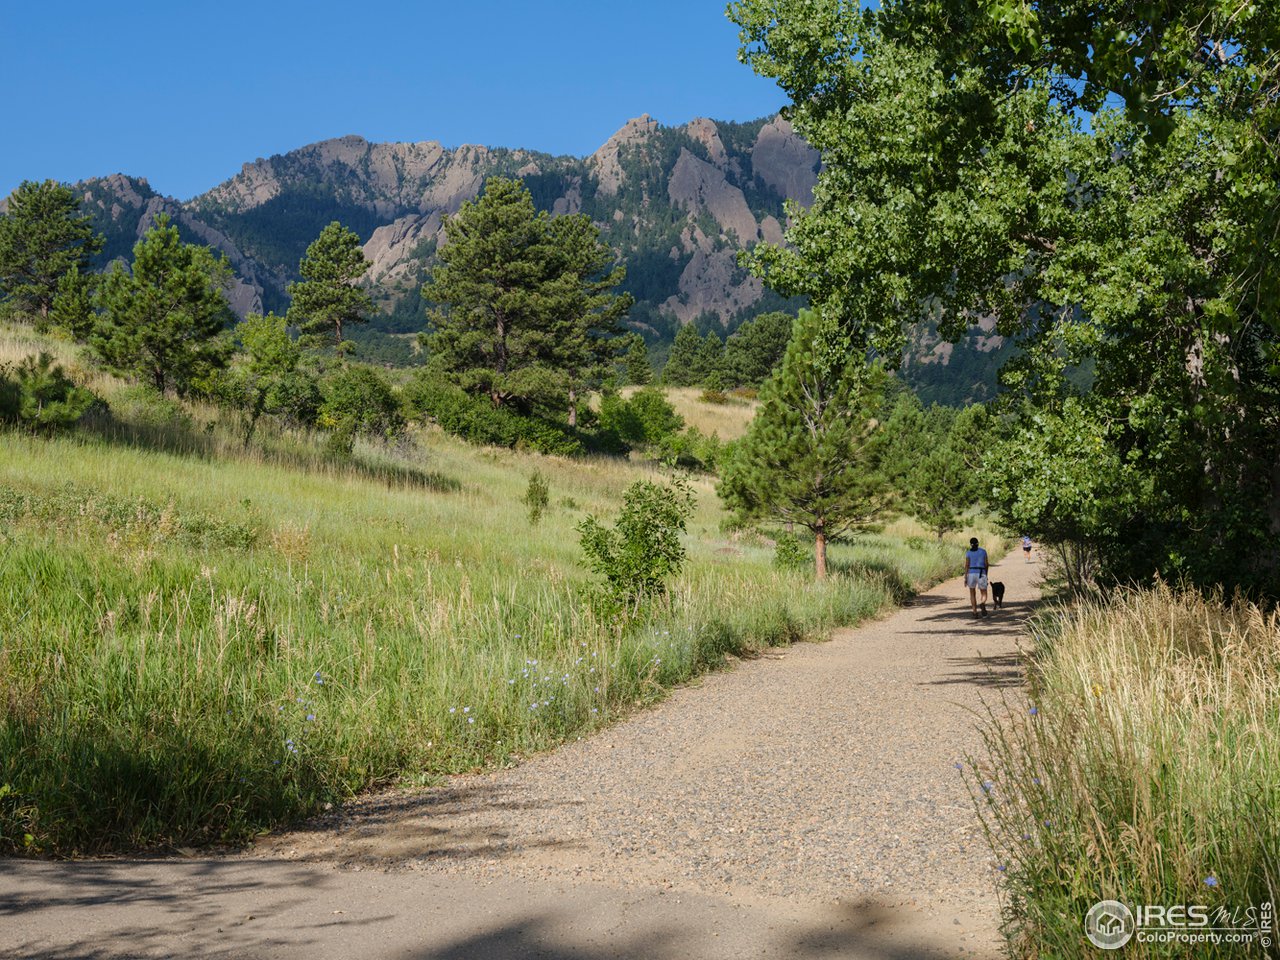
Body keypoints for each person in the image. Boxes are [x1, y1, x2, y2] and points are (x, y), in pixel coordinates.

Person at [964, 537, 990, 617]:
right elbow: (986, 564)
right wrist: (986, 573)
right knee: (984, 592)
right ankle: (982, 603)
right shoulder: (983, 551)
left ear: (970, 544)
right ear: (978, 543)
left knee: (972, 593)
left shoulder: (968, 553)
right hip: (981, 572)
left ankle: (975, 612)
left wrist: (966, 577)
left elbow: (967, 565)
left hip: (971, 573)